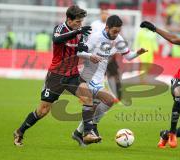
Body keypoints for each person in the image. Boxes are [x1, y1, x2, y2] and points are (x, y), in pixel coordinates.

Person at [13, 5, 101, 147]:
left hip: (73, 74)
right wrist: (78, 32)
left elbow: (80, 49)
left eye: (81, 22)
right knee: (43, 110)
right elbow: (57, 40)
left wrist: (86, 50)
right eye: (77, 22)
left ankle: (88, 133)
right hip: (56, 76)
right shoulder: (60, 29)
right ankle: (20, 131)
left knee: (88, 96)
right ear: (69, 20)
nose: (80, 24)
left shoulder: (80, 32)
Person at [71, 15, 148, 146]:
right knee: (109, 100)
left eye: (118, 31)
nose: (116, 34)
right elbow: (79, 52)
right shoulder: (95, 37)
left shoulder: (118, 39)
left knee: (95, 106)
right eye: (114, 31)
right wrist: (90, 56)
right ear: (107, 27)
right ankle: (93, 127)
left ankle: (79, 133)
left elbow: (128, 56)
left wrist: (138, 53)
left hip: (100, 78)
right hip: (89, 76)